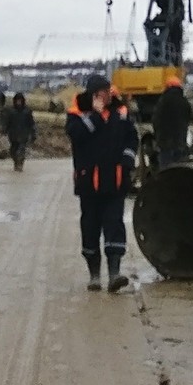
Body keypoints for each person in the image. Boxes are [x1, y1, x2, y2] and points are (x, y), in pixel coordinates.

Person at [66, 72, 138, 291]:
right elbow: (77, 136)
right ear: (93, 94)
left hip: (115, 182)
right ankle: (94, 274)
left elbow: (131, 138)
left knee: (114, 224)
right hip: (89, 183)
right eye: (102, 93)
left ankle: (115, 273)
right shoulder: (77, 114)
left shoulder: (120, 112)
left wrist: (127, 161)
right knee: (90, 226)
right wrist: (96, 116)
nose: (107, 96)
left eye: (108, 92)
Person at [152, 74, 192, 169]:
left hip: (165, 144)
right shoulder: (184, 102)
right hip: (180, 143)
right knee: (179, 171)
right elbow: (188, 119)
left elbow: (156, 120)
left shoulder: (162, 101)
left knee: (166, 173)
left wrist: (157, 137)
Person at [1, 91, 36, 171]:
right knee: (13, 150)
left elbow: (31, 123)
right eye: (17, 100)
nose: (19, 102)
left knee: (21, 150)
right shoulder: (11, 111)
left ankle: (20, 164)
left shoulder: (27, 111)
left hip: (24, 134)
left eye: (20, 100)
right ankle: (16, 162)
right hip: (13, 134)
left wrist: (33, 133)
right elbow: (7, 121)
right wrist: (4, 129)